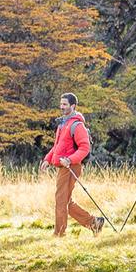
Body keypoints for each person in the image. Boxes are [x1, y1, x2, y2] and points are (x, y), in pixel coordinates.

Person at [39, 93, 104, 237]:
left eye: (65, 104)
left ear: (73, 106)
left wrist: (69, 160)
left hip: (70, 167)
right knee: (65, 201)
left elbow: (84, 148)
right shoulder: (63, 124)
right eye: (61, 104)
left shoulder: (77, 125)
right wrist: (47, 159)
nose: (61, 107)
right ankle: (95, 223)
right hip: (63, 166)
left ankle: (59, 234)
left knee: (61, 200)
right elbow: (57, 147)